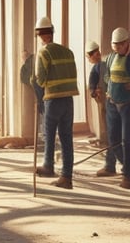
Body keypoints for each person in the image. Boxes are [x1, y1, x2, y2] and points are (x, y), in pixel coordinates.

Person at [32, 16, 79, 189]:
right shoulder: (68, 51)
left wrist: (43, 87)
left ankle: (48, 166)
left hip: (53, 99)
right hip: (69, 100)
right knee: (66, 138)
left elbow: (40, 79)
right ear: (51, 33)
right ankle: (66, 176)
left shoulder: (43, 52)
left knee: (49, 135)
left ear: (40, 35)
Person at [97, 27, 130, 189]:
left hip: (128, 104)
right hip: (112, 103)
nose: (117, 47)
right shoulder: (110, 58)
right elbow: (107, 77)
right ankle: (126, 165)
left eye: (120, 44)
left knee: (128, 141)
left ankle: (128, 176)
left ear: (127, 43)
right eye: (114, 44)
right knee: (113, 140)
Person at [85, 41, 108, 146]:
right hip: (108, 95)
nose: (89, 60)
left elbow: (92, 85)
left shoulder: (97, 67)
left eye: (89, 57)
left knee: (104, 118)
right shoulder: (105, 64)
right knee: (108, 118)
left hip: (102, 96)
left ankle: (106, 140)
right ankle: (109, 139)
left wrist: (94, 93)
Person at [20, 50, 44, 114]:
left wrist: (31, 83)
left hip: (35, 86)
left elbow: (23, 79)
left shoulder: (24, 67)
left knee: (41, 104)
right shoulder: (36, 59)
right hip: (43, 85)